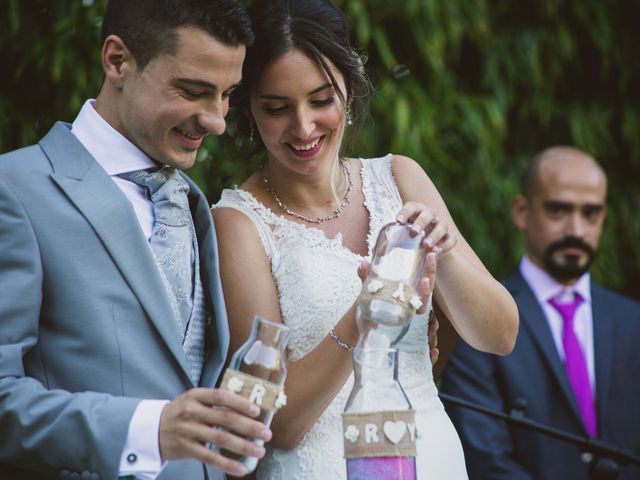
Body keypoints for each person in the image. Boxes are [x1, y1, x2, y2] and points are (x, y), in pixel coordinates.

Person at [212, 1, 519, 478]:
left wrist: (447, 250)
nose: (303, 127)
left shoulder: (399, 177)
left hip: (429, 455)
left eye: (321, 100)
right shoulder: (237, 221)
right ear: (248, 108)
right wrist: (366, 311)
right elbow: (278, 422)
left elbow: (500, 336)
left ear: (350, 93)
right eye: (277, 108)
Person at [0, 1, 273, 479]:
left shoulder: (194, 203)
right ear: (117, 60)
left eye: (227, 94)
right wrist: (148, 429)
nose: (217, 120)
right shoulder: (14, 190)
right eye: (193, 91)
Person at [441, 146, 640, 479]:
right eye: (559, 210)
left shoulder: (633, 322)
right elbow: (485, 458)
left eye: (590, 213)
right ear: (521, 211)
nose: (576, 229)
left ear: (603, 217)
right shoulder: (478, 321)